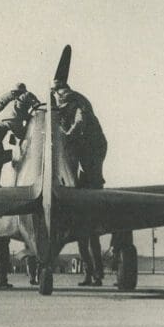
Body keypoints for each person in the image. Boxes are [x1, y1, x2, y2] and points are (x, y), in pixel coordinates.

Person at [53, 82, 108, 286]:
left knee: (88, 235)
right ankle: (93, 274)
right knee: (86, 236)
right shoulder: (77, 104)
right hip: (86, 171)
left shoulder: (79, 109)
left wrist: (67, 136)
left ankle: (95, 274)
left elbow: (79, 123)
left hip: (90, 164)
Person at [0, 86, 41, 187]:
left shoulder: (14, 104)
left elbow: (26, 103)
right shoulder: (13, 118)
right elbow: (21, 134)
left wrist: (36, 105)